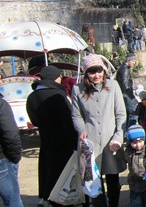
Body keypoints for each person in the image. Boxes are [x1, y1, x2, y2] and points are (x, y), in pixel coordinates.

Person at [71, 54, 127, 207]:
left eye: (99, 71)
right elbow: (76, 115)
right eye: (92, 72)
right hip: (90, 141)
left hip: (111, 140)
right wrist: (81, 129)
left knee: (112, 179)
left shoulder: (113, 85)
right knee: (93, 180)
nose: (96, 75)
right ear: (86, 73)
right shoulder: (78, 89)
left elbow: (121, 114)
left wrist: (118, 136)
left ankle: (114, 203)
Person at [26, 66, 78, 207]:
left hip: (45, 140)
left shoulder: (32, 97)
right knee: (62, 174)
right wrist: (75, 143)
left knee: (47, 171)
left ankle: (46, 197)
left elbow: (34, 120)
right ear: (55, 78)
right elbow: (68, 121)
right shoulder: (58, 95)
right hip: (63, 142)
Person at [0, 93, 24, 207]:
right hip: (2, 161)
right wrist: (15, 157)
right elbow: (10, 133)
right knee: (13, 201)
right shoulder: (1, 104)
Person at [116, 53, 139, 128]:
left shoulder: (124, 68)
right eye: (133, 61)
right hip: (126, 94)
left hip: (125, 94)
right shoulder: (124, 70)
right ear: (129, 60)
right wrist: (132, 97)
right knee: (133, 113)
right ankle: (130, 131)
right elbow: (125, 86)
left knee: (128, 114)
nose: (134, 63)